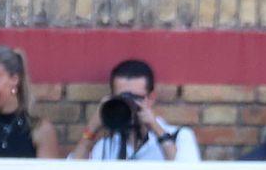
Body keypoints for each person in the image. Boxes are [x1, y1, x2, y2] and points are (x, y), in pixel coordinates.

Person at [70, 58, 200, 162]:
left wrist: (156, 129)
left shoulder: (180, 136)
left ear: (151, 98)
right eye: (122, 97)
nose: (128, 103)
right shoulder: (107, 144)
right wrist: (91, 129)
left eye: (135, 98)